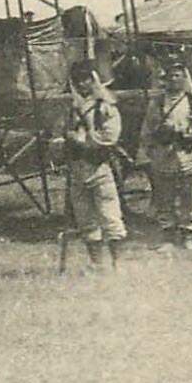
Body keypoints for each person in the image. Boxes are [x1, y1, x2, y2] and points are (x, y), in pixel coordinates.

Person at [139, 58, 192, 253]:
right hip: (164, 156)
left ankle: (188, 235)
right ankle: (168, 237)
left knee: (190, 199)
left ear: (184, 78)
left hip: (188, 154)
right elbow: (146, 132)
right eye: (169, 76)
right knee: (165, 198)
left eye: (177, 76)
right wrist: (153, 151)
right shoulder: (156, 103)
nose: (173, 80)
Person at [62, 60, 127, 272]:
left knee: (110, 216)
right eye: (77, 80)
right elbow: (60, 134)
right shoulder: (71, 108)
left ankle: (117, 263)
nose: (82, 84)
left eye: (86, 79)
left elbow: (110, 137)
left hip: (99, 166)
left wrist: (81, 140)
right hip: (77, 169)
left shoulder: (105, 105)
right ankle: (96, 263)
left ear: (94, 79)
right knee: (85, 219)